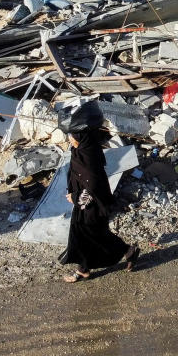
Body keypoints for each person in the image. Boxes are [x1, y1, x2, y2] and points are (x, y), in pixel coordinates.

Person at [60, 110, 138, 282]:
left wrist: (77, 197)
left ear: (80, 137)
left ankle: (125, 251)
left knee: (92, 234)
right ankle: (85, 269)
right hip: (87, 202)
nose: (70, 140)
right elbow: (76, 174)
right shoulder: (82, 149)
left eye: (72, 136)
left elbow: (93, 183)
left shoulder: (88, 155)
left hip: (93, 202)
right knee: (87, 233)